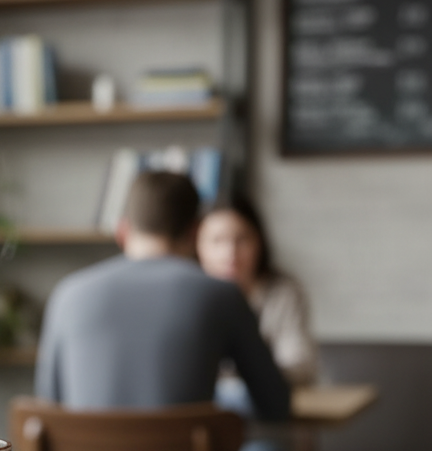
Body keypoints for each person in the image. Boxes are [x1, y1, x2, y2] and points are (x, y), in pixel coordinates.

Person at [36, 171, 291, 419]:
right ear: (195, 233)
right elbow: (276, 405)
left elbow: (48, 406)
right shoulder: (221, 295)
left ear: (122, 230)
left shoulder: (67, 294)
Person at [197, 193, 318, 387]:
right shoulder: (188, 296)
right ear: (197, 246)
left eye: (242, 239)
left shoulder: (283, 293)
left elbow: (300, 365)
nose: (230, 253)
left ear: (259, 241)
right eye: (217, 241)